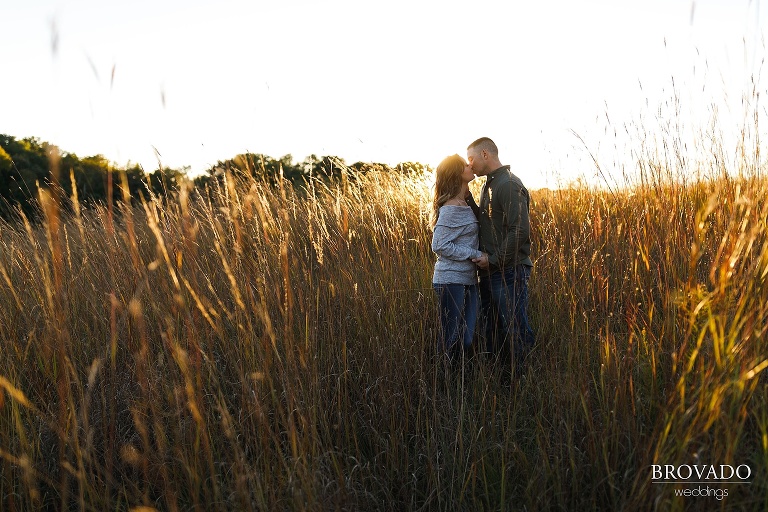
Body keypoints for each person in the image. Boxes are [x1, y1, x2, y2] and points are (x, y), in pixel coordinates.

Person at [466, 137, 535, 371]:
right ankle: (502, 383)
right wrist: (466, 198)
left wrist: (493, 260)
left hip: (509, 270)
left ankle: (523, 382)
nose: (470, 165)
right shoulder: (489, 184)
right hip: (491, 271)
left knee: (514, 328)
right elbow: (487, 223)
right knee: (493, 330)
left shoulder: (508, 184)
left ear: (485, 154)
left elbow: (520, 230)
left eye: (472, 159)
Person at [431, 154, 483, 361]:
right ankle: (442, 386)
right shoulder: (451, 207)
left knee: (466, 339)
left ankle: (457, 384)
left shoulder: (465, 202)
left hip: (469, 279)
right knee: (450, 338)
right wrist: (475, 254)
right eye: (464, 165)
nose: (470, 165)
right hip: (450, 280)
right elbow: (440, 245)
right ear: (456, 173)